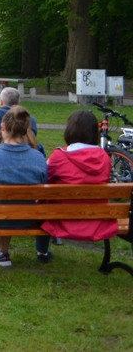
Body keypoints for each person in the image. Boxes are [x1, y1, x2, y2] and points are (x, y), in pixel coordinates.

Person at [37, 110, 115, 262]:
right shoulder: (105, 158)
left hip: (62, 219)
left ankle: (42, 252)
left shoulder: (59, 157)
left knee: (43, 202)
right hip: (96, 219)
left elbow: (46, 180)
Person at [0, 107, 47, 268]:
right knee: (5, 205)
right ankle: (2, 252)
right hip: (27, 217)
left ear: (2, 127)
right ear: (26, 129)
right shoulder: (38, 157)